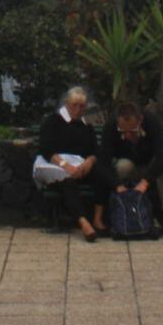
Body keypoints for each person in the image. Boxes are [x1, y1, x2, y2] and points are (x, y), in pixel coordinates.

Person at [99, 99, 163, 237]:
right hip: (129, 165)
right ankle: (125, 208)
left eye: (132, 130)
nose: (127, 135)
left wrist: (145, 181)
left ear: (140, 120)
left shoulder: (151, 122)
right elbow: (103, 162)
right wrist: (117, 185)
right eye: (123, 131)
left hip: (149, 167)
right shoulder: (110, 127)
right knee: (122, 166)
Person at [36, 86, 110, 242]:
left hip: (80, 165)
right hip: (56, 165)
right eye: (74, 105)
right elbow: (46, 149)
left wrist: (89, 161)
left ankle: (98, 219)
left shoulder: (86, 126)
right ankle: (83, 221)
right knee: (68, 182)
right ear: (67, 104)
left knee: (102, 173)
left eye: (81, 106)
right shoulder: (52, 121)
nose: (78, 109)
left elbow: (95, 150)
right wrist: (65, 165)